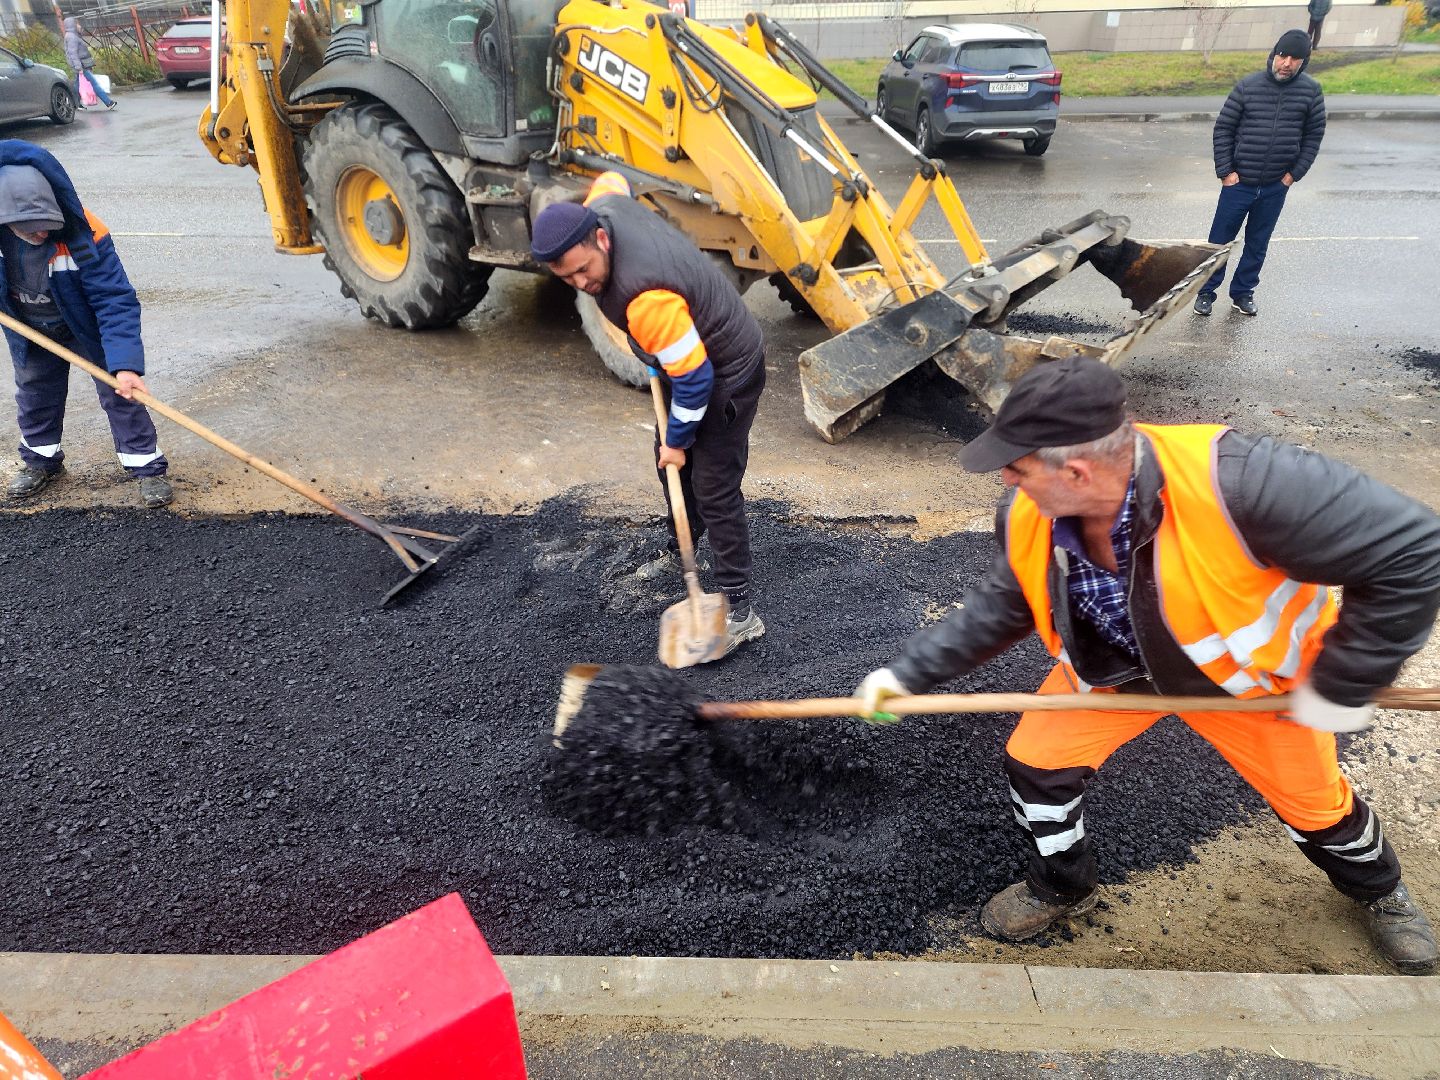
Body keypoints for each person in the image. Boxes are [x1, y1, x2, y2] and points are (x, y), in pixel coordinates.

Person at [854, 356, 1440, 975]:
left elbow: (1414, 552)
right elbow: (1005, 603)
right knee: (1038, 767)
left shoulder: (1245, 485)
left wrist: (1342, 684)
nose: (1005, 479)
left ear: (1076, 471)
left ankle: (1380, 894)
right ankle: (1063, 886)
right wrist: (908, 675)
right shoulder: (1032, 510)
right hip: (1112, 672)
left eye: (1017, 466)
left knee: (1316, 809)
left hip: (1245, 687)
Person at [530, 174, 766, 655]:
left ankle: (740, 609)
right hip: (689, 362)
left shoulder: (646, 299)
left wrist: (679, 441)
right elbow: (614, 178)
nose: (581, 284)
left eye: (583, 270)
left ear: (599, 237)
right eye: (567, 279)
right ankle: (686, 546)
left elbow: (698, 380)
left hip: (726, 372)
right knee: (669, 464)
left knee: (713, 486)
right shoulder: (605, 205)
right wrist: (673, 443)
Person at [0, 141, 171, 507]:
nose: (41, 234)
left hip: (84, 325)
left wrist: (125, 365)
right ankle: (41, 461)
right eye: (31, 229)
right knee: (35, 392)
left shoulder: (85, 231)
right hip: (29, 327)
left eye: (47, 225)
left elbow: (114, 298)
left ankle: (146, 467)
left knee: (120, 393)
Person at [1194, 30, 1324, 319]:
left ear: (1304, 61)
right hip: (1238, 183)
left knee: (1258, 243)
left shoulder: (1311, 92)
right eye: (1282, 55)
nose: (1287, 63)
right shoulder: (1248, 86)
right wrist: (1226, 172)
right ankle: (1205, 292)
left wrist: (1292, 176)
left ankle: (1242, 292)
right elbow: (1224, 129)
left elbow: (1314, 136)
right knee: (1219, 242)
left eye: (1294, 58)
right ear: (1274, 54)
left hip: (1275, 185)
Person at [63, 18, 117, 112]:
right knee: (94, 83)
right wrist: (78, 67)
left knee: (77, 85)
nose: (79, 26)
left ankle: (75, 104)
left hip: (80, 64)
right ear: (73, 25)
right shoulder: (72, 37)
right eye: (77, 24)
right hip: (81, 65)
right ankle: (108, 102)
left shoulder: (73, 36)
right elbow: (73, 53)